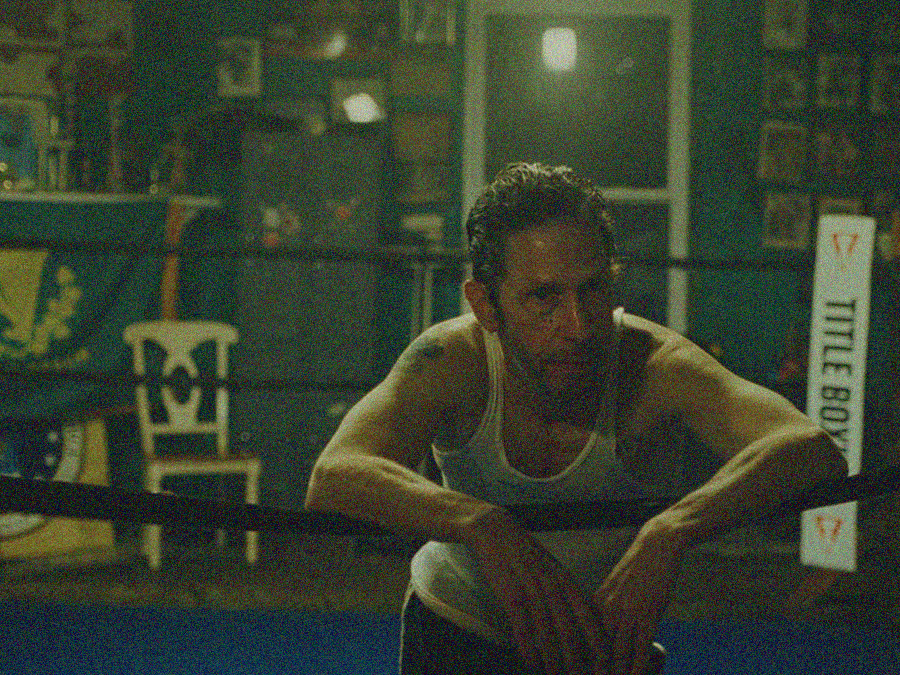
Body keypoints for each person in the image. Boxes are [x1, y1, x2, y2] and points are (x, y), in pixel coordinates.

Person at [305, 162, 847, 675]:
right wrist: (481, 524)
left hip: (597, 645)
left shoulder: (652, 364)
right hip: (457, 633)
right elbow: (335, 476)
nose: (578, 324)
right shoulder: (453, 360)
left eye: (591, 289)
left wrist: (674, 528)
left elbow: (812, 450)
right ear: (484, 304)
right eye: (543, 297)